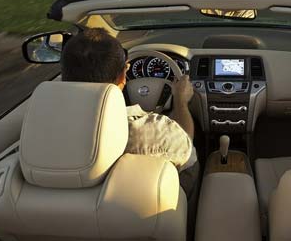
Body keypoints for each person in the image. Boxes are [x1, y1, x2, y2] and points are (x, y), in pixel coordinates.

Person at [59, 28, 198, 198]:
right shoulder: (157, 131)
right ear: (124, 75)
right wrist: (181, 102)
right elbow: (186, 147)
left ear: (64, 76)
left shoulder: (42, 130)